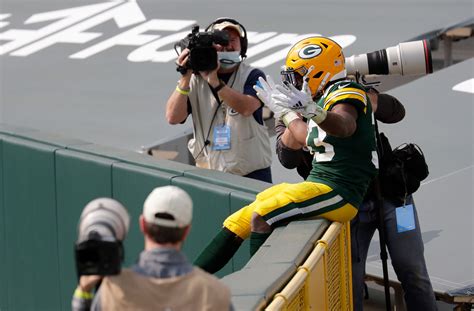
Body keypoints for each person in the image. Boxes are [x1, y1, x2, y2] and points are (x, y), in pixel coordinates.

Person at [194, 36, 378, 274]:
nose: (296, 82)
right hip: (320, 183)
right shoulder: (322, 98)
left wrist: (312, 111)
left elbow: (345, 126)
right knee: (240, 219)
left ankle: (257, 284)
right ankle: (185, 280)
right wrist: (286, 112)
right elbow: (302, 137)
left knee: (263, 215)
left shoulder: (345, 90)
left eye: (300, 75)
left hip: (340, 190)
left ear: (318, 70)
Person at [274, 88, 437, 310]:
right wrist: (293, 115)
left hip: (393, 197)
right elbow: (287, 158)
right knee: (350, 280)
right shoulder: (287, 108)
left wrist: (372, 101)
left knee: (413, 269)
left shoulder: (346, 93)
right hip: (347, 204)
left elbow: (397, 112)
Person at [72, 186, 232, 311]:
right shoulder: (214, 292)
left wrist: (83, 292)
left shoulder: (111, 291)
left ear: (142, 224)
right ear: (186, 231)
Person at [166, 17, 273, 183]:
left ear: (242, 46)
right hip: (210, 173)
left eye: (232, 40)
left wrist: (214, 81)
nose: (227, 45)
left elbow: (246, 107)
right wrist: (185, 78)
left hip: (252, 173)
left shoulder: (253, 75)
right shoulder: (194, 79)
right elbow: (173, 117)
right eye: (221, 41)